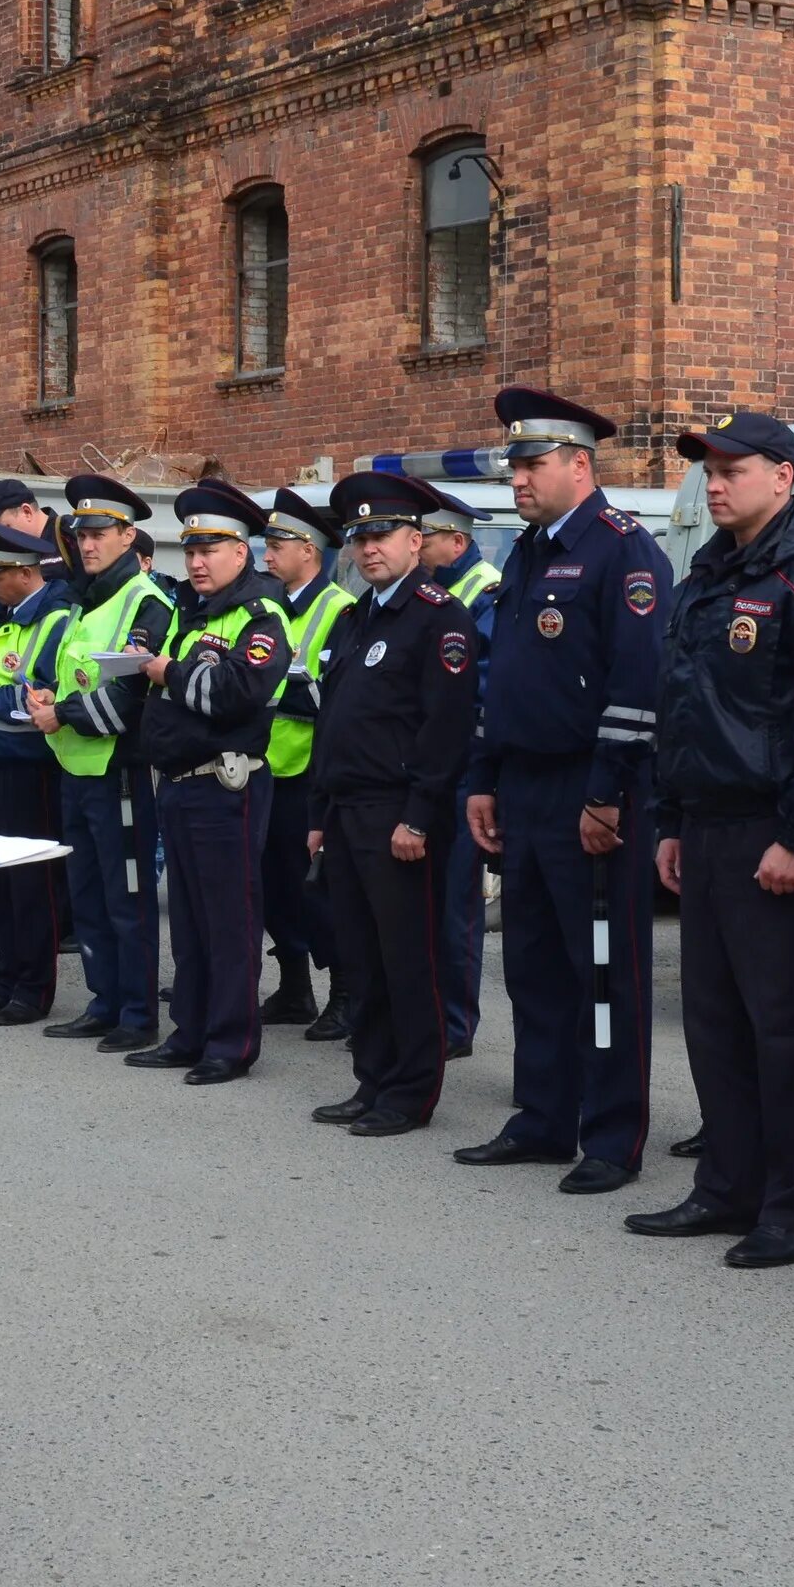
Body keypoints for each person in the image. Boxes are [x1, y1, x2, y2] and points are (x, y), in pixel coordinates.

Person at [625, 412, 794, 1269]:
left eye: (733, 467)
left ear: (784, 477)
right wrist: (671, 820)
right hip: (708, 824)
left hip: (777, 833)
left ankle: (790, 1209)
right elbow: (683, 709)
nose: (715, 481)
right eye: (708, 469)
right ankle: (725, 1185)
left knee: (788, 1029)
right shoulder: (708, 574)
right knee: (714, 1022)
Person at [456, 387, 672, 1194]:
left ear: (580, 466)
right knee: (534, 966)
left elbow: (639, 679)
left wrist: (608, 792)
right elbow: (501, 680)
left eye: (532, 463)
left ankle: (611, 1136)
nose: (517, 477)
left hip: (592, 788)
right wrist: (483, 778)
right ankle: (542, 1118)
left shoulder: (624, 550)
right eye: (514, 465)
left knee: (604, 968)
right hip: (523, 783)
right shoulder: (526, 552)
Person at [305, 473, 480, 1135]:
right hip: (349, 812)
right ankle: (372, 1077)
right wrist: (319, 818)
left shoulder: (439, 618)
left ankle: (411, 1090)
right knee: (362, 954)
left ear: (415, 540)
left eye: (382, 535)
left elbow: (446, 728)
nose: (369, 548)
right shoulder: (355, 619)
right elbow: (336, 726)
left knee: (410, 957)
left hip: (400, 815)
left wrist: (419, 815)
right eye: (358, 537)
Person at [125, 480, 291, 1084]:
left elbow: (236, 694)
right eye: (190, 550)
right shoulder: (193, 614)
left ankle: (231, 1043)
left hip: (227, 786)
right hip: (178, 781)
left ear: (240, 553)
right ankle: (188, 1032)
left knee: (229, 921)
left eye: (210, 549)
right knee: (190, 923)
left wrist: (169, 672)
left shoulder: (259, 613)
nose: (196, 562)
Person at [28, 475, 175, 1053]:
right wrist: (47, 699)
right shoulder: (87, 599)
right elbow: (73, 677)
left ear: (128, 536)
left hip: (120, 773)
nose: (87, 545)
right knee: (87, 893)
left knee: (128, 897)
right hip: (77, 769)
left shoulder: (146, 602)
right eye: (81, 535)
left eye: (100, 534)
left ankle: (137, 1014)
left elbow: (127, 700)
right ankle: (103, 1000)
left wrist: (60, 714)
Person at [0, 516, 76, 1024]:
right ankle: (7, 978)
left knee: (30, 884)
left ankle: (33, 988)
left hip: (30, 769)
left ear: (25, 574)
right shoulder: (3, 618)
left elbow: (37, 694)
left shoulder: (53, 619)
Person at [255, 488, 356, 1032]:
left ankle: (344, 991)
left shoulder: (340, 610)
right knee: (274, 886)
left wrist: (264, 687)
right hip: (265, 765)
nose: (265, 557)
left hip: (312, 774)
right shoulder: (269, 607)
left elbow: (331, 699)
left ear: (309, 550)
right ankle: (294, 987)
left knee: (319, 888)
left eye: (276, 546)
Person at [418, 507, 499, 1058]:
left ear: (457, 541)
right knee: (425, 902)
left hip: (466, 768)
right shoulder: (433, 591)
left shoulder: (483, 590)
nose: (419, 546)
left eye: (427, 538)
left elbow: (483, 684)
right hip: (430, 767)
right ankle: (428, 1014)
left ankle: (454, 1024)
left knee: (456, 908)